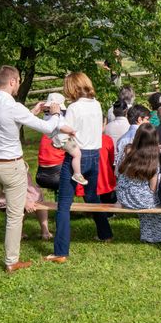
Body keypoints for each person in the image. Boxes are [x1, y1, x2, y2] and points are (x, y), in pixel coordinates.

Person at [0, 66, 75, 272]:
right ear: (13, 82)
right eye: (19, 81)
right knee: (15, 215)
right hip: (10, 165)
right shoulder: (13, 106)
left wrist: (32, 112)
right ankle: (11, 261)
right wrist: (56, 114)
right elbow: (49, 129)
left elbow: (10, 126)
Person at [45, 72, 113, 264]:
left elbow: (63, 132)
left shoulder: (74, 108)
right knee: (92, 197)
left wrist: (55, 116)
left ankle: (60, 251)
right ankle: (105, 233)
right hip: (94, 155)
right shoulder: (97, 104)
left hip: (77, 155)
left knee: (64, 205)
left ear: (72, 87)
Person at [116, 123, 161, 243]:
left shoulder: (127, 149)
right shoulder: (153, 155)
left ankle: (149, 234)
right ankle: (157, 234)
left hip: (123, 195)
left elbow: (118, 171)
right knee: (158, 200)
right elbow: (153, 186)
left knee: (150, 199)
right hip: (141, 198)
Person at [115, 104, 151, 172]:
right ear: (140, 119)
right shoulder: (145, 136)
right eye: (147, 119)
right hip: (141, 174)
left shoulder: (121, 139)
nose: (148, 122)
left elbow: (118, 162)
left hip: (124, 176)